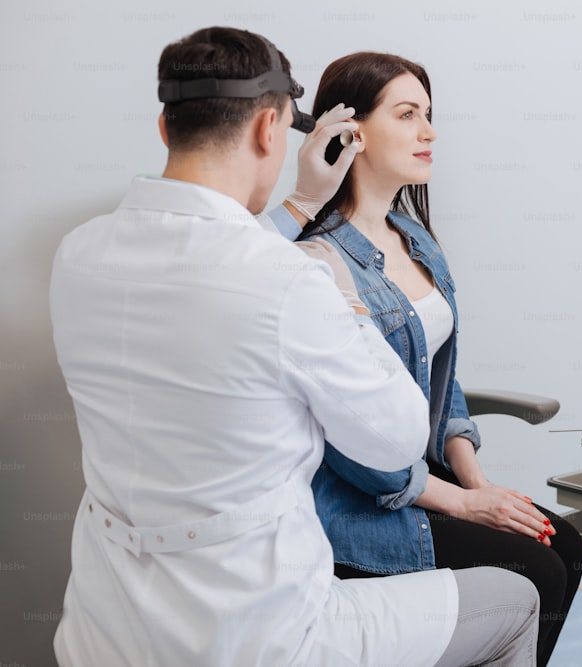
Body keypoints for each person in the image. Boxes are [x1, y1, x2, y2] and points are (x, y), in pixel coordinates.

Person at [50, 27, 539, 667]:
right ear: (268, 130)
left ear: (166, 128)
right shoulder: (293, 280)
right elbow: (394, 436)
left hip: (106, 630)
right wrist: (346, 296)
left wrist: (304, 204)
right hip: (268, 633)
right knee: (518, 599)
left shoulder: (80, 256)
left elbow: (213, 255)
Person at [267, 51, 582, 666]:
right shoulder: (318, 264)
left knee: (563, 542)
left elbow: (445, 376)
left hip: (430, 481)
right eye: (408, 114)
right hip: (364, 507)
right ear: (349, 133)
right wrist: (464, 504)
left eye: (429, 114)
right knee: (537, 567)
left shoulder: (414, 240)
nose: (430, 132)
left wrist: (479, 484)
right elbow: (349, 446)